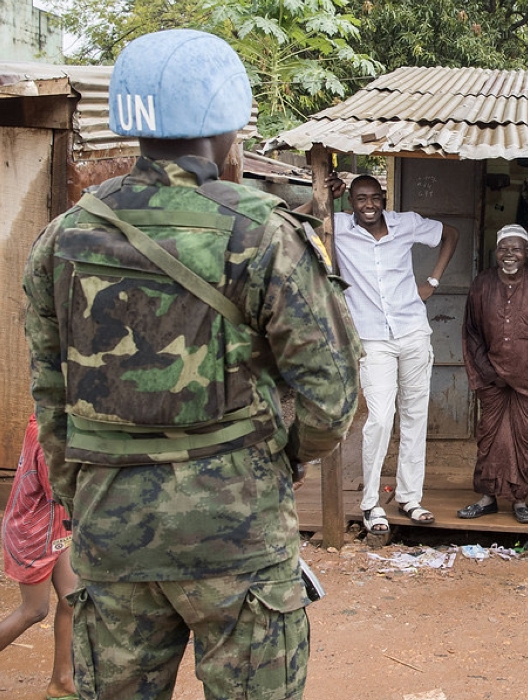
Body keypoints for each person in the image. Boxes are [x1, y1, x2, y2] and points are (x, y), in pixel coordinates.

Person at [22, 29, 361, 699]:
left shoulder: (59, 240)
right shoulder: (266, 233)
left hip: (112, 535)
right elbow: (330, 400)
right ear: (227, 124)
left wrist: (90, 499)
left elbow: (52, 407)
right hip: (237, 537)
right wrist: (272, 461)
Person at [316, 173, 459, 530]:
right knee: (379, 419)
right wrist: (320, 196)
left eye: (374, 198)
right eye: (360, 199)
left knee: (414, 418)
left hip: (412, 331)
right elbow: (294, 221)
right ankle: (370, 504)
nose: (368, 205)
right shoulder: (337, 227)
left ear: (383, 197)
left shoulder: (405, 224)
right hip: (372, 338)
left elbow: (450, 235)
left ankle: (411, 499)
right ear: (350, 201)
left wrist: (433, 282)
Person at [457, 224, 528, 523]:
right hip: (492, 375)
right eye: (504, 249)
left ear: (527, 253)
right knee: (489, 437)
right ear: (497, 252)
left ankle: (520, 499)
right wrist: (487, 370)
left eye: (516, 249)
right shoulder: (482, 283)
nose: (509, 254)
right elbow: (471, 332)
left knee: (526, 437)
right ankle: (487, 498)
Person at [1, 415, 78, 700]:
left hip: (55, 522)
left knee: (73, 598)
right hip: (33, 531)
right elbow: (60, 490)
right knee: (34, 610)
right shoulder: (49, 431)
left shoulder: (51, 419)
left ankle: (62, 682)